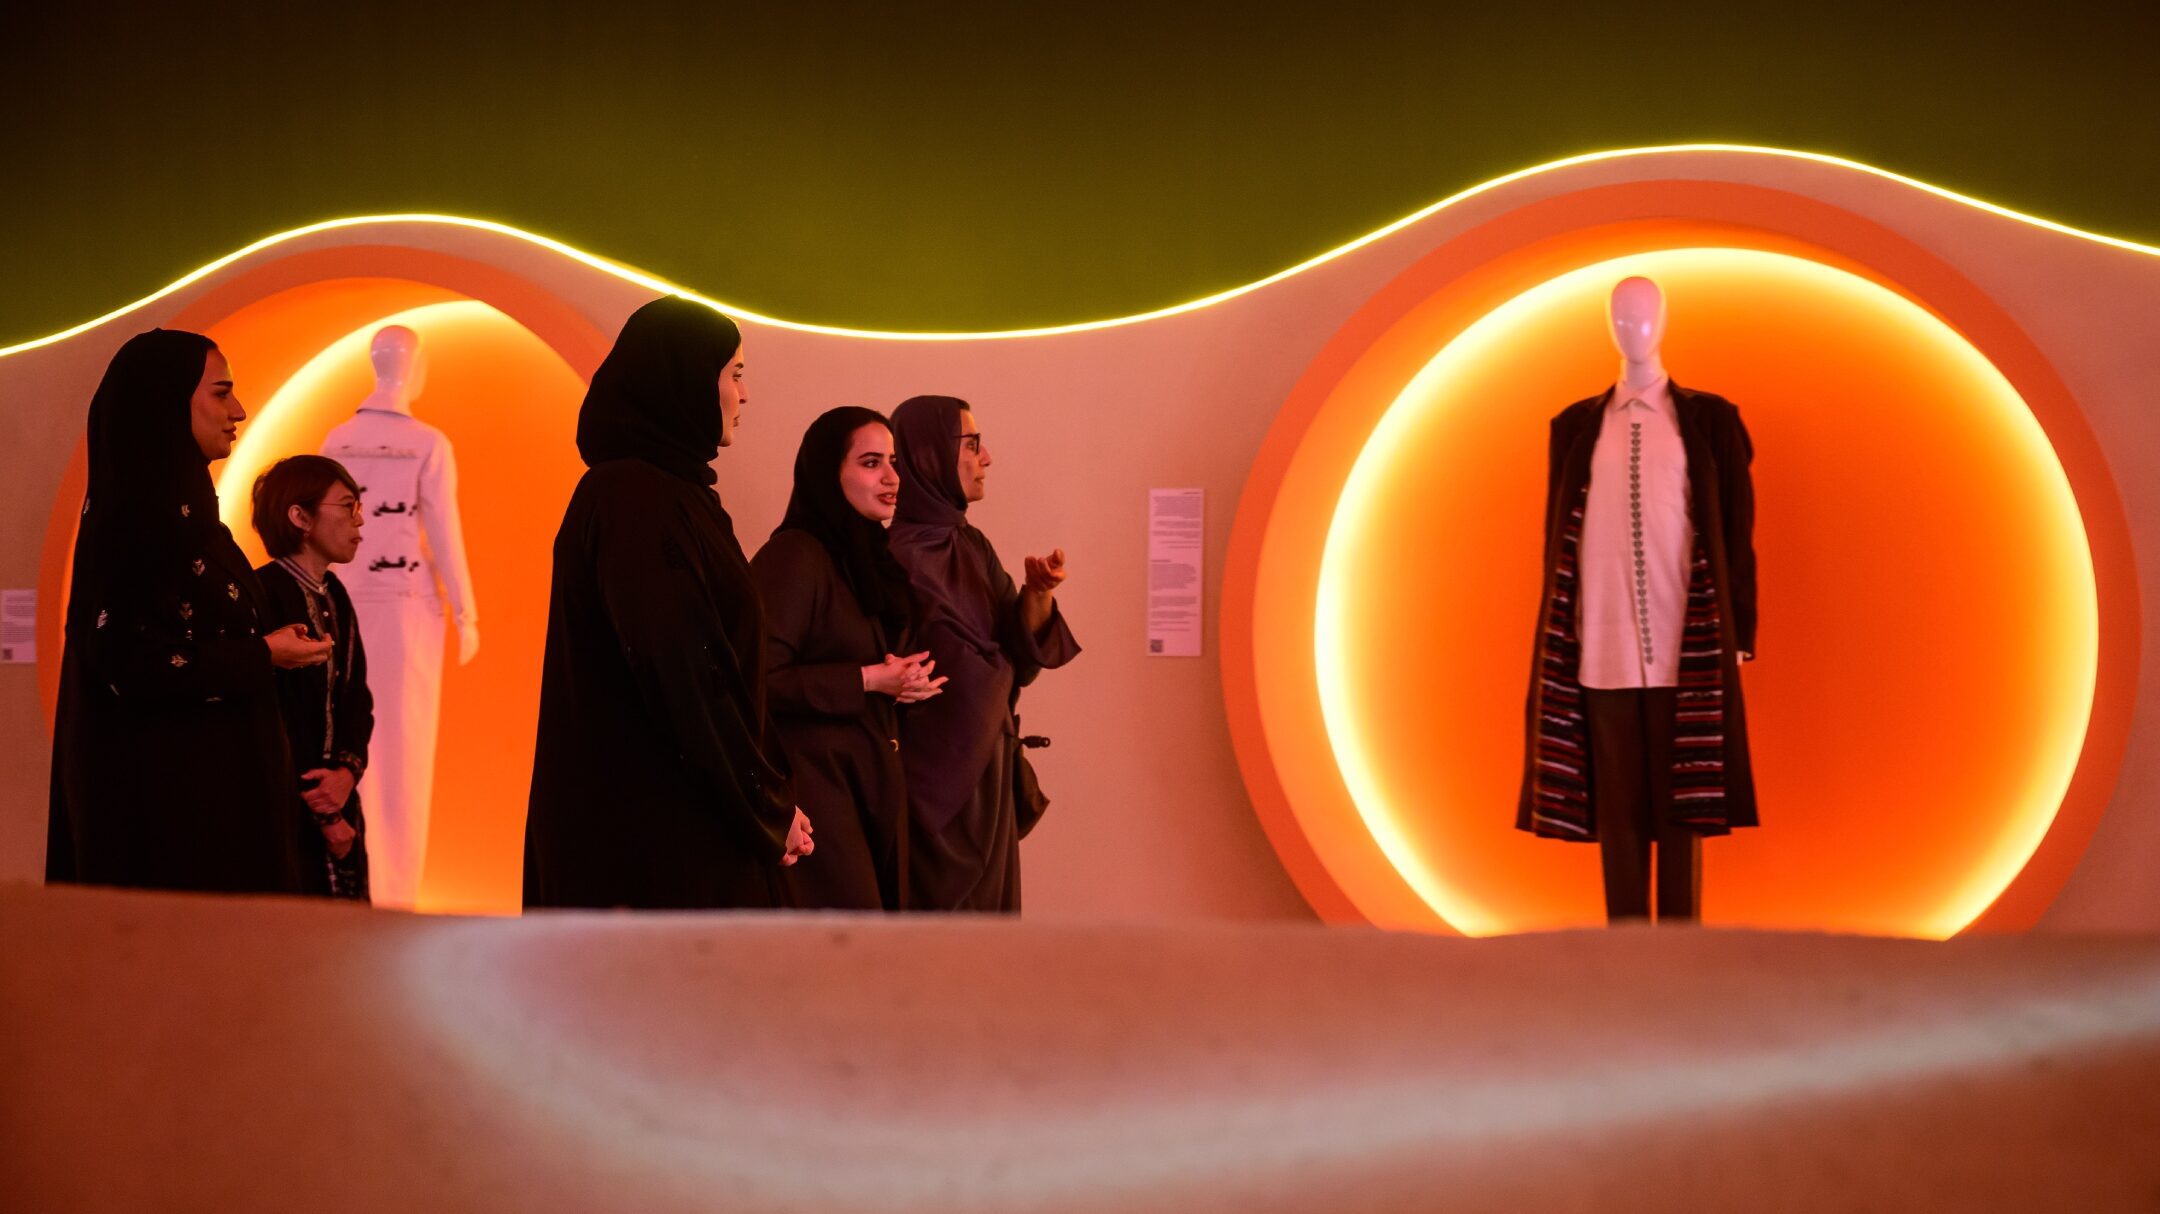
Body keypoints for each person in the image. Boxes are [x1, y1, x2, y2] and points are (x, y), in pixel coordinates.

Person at [524, 296, 812, 909]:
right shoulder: (635, 498)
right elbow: (685, 667)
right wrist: (762, 802)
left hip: (681, 817)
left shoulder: (674, 496)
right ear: (682, 380)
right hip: (652, 835)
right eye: (734, 373)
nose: (744, 394)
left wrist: (769, 794)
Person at [47, 328, 332, 893]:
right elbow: (130, 662)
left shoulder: (191, 521)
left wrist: (265, 648)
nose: (239, 411)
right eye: (221, 393)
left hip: (219, 817)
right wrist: (262, 653)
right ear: (165, 402)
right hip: (175, 831)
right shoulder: (138, 527)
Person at [1517, 277, 1760, 923]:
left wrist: (1739, 632)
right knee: (1617, 809)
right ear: (1608, 324)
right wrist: (1560, 632)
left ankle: (1678, 950)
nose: (1634, 326)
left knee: (1684, 805)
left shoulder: (1709, 419)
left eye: (1644, 314)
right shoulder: (1575, 426)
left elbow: (1736, 532)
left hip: (1687, 642)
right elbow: (1555, 538)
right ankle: (1624, 949)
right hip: (1600, 645)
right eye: (1622, 316)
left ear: (1664, 320)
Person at [887, 394, 1079, 912]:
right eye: (972, 444)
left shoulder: (973, 547)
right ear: (929, 455)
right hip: (930, 795)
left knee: (990, 938)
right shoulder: (890, 559)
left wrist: (1037, 593)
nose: (986, 458)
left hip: (988, 778)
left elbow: (1022, 661)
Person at [752, 407, 944, 910]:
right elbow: (757, 679)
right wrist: (870, 679)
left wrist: (903, 682)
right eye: (871, 463)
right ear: (828, 473)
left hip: (867, 786)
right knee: (844, 941)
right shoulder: (795, 555)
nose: (892, 478)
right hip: (815, 794)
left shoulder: (863, 558)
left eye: (893, 462)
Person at [252, 455, 376, 902]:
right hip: (286, 808)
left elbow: (356, 697)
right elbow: (275, 714)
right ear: (300, 517)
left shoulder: (334, 592)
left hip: (338, 801)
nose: (359, 521)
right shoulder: (263, 593)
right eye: (347, 506)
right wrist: (325, 812)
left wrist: (346, 773)